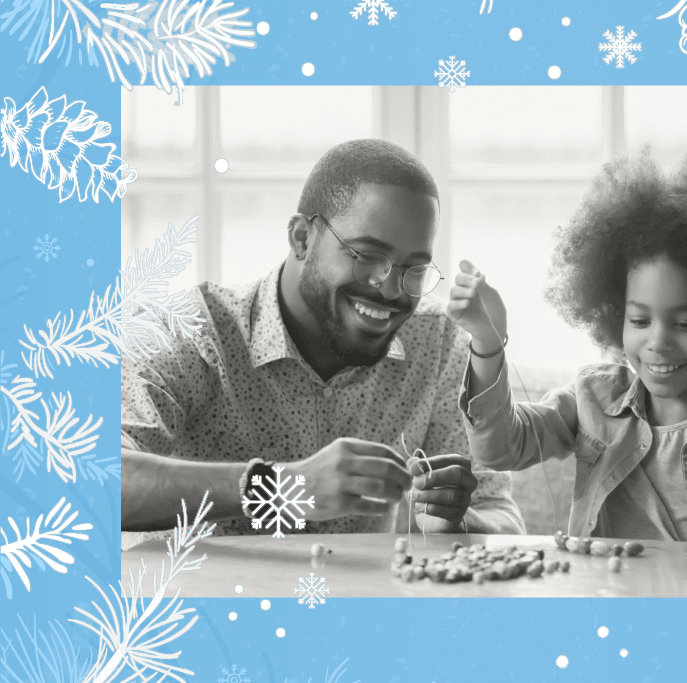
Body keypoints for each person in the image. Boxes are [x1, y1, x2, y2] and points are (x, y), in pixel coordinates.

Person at [447, 146, 687, 587]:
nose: (658, 342)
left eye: (686, 323)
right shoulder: (593, 399)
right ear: (613, 311)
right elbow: (499, 448)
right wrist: (486, 342)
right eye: (639, 320)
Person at [121, 139, 526, 547]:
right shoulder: (194, 330)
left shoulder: (438, 342)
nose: (390, 290)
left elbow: (503, 517)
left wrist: (453, 522)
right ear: (301, 238)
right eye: (368, 257)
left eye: (413, 270)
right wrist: (279, 487)